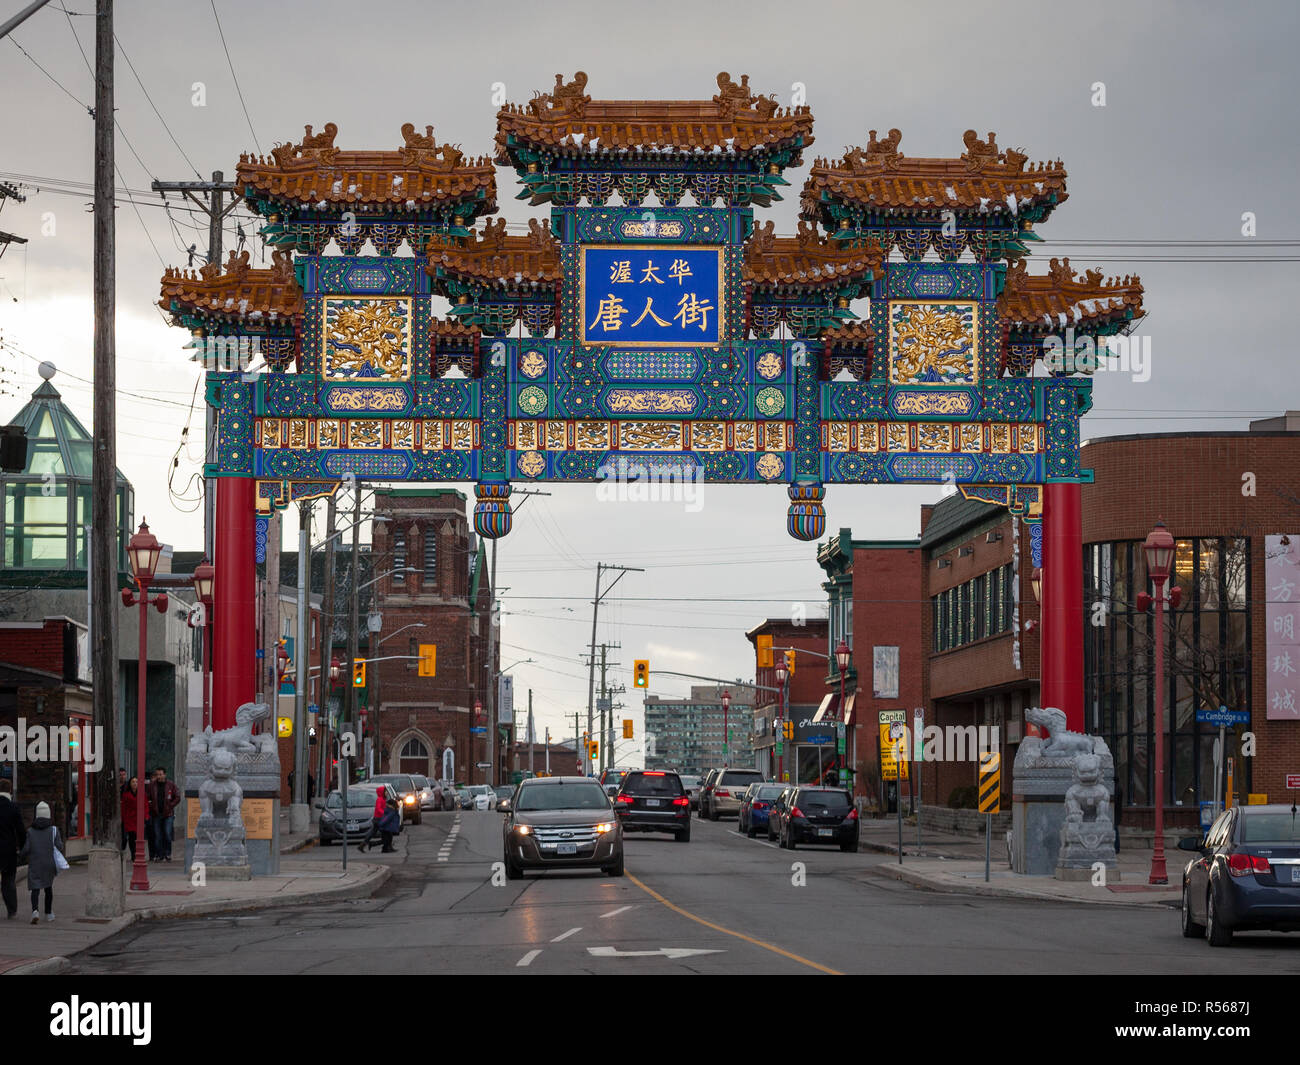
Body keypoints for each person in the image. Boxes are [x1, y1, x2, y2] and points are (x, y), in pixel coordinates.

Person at [19, 801, 64, 923]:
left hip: (35, 863)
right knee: (48, 888)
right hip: (49, 864)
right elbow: (60, 846)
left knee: (35, 889)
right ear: (48, 814)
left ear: (37, 815)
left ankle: (35, 911)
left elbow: (27, 849)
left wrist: (21, 855)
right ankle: (49, 913)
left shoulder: (30, 831)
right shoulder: (54, 830)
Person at [0, 779, 25, 919]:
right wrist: (22, 848)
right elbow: (20, 830)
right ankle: (11, 909)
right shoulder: (13, 808)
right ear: (10, 790)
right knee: (8, 880)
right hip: (8, 850)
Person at [149, 765, 181, 862]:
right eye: (157, 774)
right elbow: (147, 797)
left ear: (165, 774)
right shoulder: (152, 785)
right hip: (156, 813)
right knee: (158, 835)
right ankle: (159, 855)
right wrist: (151, 806)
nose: (159, 776)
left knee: (167, 834)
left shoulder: (171, 784)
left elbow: (177, 797)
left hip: (168, 814)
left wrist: (171, 805)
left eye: (161, 774)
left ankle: (167, 854)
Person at [358, 787, 388, 853]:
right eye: (385, 791)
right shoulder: (379, 799)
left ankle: (362, 845)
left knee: (372, 833)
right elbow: (378, 808)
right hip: (378, 819)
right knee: (385, 833)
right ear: (382, 792)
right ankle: (385, 845)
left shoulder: (383, 799)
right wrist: (384, 813)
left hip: (379, 818)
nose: (387, 793)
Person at [121, 776, 142, 860]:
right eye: (133, 782)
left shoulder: (141, 794)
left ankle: (136, 853)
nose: (135, 784)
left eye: (136, 782)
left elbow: (145, 805)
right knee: (131, 837)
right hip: (129, 819)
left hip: (138, 818)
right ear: (130, 784)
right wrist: (124, 818)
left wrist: (145, 816)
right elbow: (124, 808)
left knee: (137, 837)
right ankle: (133, 854)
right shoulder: (126, 795)